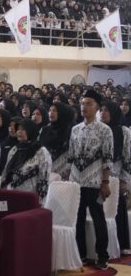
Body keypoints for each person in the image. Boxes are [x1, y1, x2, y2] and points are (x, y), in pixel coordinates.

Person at [68, 89, 113, 270]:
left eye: (88, 104)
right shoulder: (75, 129)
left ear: (97, 108)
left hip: (95, 183)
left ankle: (102, 255)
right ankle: (81, 254)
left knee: (98, 220)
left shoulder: (105, 130)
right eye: (82, 103)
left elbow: (108, 159)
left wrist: (105, 182)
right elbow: (71, 156)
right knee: (77, 220)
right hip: (76, 182)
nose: (84, 107)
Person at [100, 101, 131, 254]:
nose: (103, 113)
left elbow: (128, 156)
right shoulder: (98, 130)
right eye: (102, 110)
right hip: (99, 174)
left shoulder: (123, 131)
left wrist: (124, 179)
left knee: (118, 207)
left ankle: (122, 243)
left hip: (117, 174)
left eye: (107, 110)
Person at [0, 119, 52, 203]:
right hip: (10, 195)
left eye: (23, 129)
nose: (19, 132)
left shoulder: (41, 152)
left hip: (29, 198)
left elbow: (43, 179)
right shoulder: (15, 149)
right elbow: (5, 173)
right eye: (18, 129)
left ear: (31, 130)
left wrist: (40, 203)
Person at [39, 102, 73, 179]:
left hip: (63, 171)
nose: (51, 113)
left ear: (61, 113)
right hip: (45, 168)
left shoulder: (69, 131)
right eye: (50, 110)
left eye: (54, 110)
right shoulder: (44, 130)